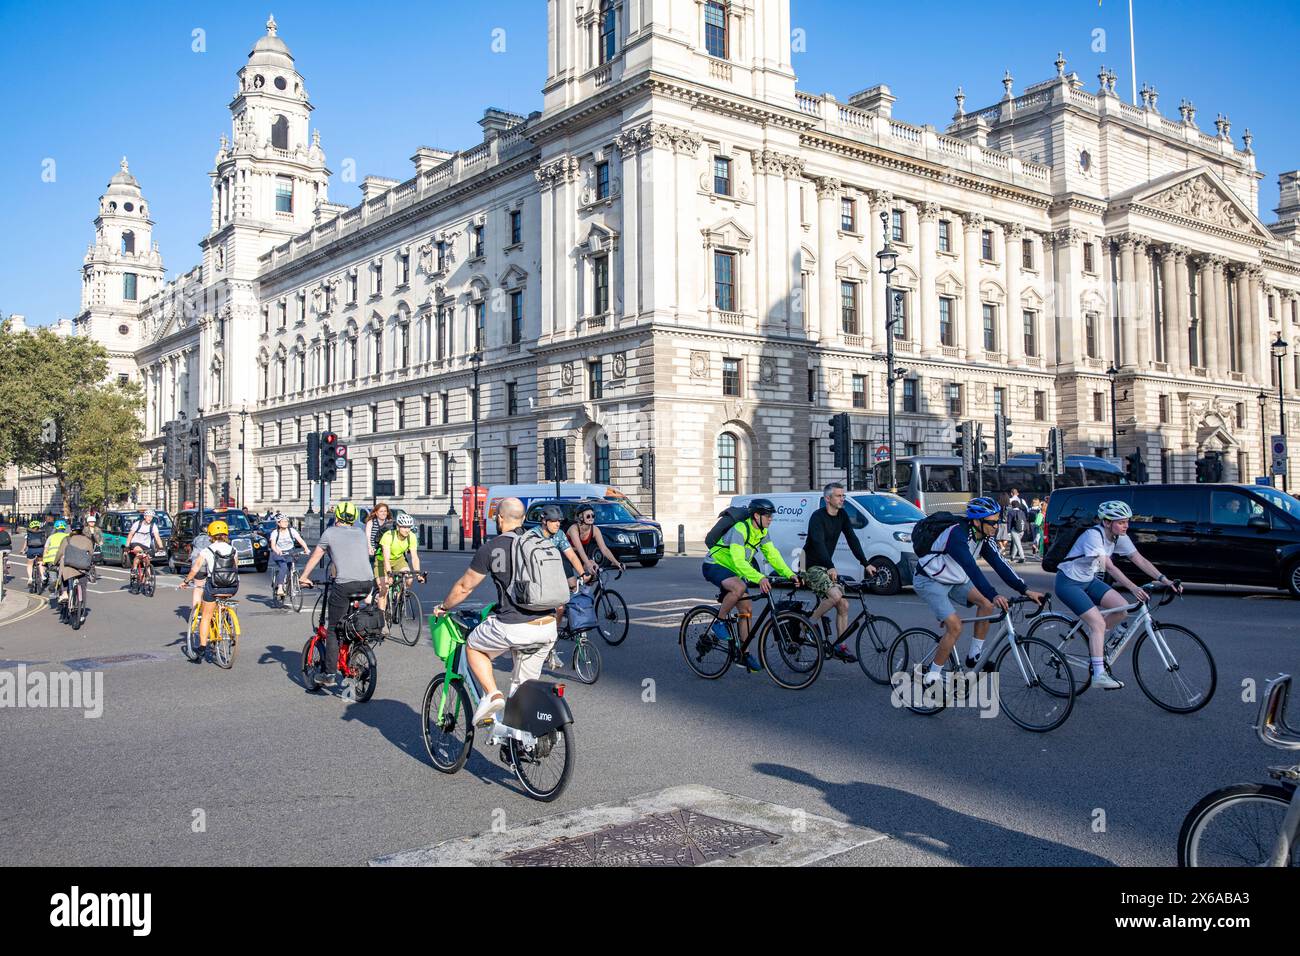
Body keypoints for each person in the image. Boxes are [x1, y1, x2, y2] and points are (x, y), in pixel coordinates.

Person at [432, 498, 560, 726]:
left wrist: (443, 607)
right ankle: (522, 740)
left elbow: (465, 587)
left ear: (500, 518)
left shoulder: (492, 548)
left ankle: (492, 694)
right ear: (522, 519)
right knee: (522, 688)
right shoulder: (540, 542)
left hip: (515, 626)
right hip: (548, 626)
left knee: (473, 645)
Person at [912, 497, 1045, 686]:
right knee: (955, 626)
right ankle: (932, 676)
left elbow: (1000, 564)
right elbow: (971, 568)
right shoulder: (957, 535)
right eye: (992, 522)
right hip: (930, 580)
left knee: (986, 605)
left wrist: (1025, 590)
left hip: (955, 578)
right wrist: (994, 593)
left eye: (998, 521)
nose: (997, 526)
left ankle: (974, 656)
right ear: (976, 521)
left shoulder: (985, 538)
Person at [1054, 500, 1181, 690]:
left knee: (1122, 609)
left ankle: (1096, 637)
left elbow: (1139, 560)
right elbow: (1110, 567)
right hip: (1068, 582)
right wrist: (1133, 588)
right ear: (1106, 522)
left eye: (1127, 521)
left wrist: (1165, 580)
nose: (1126, 526)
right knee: (1097, 623)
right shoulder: (1093, 536)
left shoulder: (1119, 537)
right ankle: (1098, 674)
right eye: (1121, 522)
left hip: (1088, 580)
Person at [702, 498, 799, 672]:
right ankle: (719, 621)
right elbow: (739, 561)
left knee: (746, 610)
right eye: (768, 515)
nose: (771, 519)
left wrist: (789, 573)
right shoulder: (740, 529)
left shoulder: (762, 532)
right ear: (756, 515)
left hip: (734, 571)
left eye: (771, 516)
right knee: (738, 588)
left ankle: (744, 654)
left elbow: (772, 555)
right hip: (715, 565)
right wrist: (760, 578)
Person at [801, 483, 878, 663]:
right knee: (835, 595)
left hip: (825, 564)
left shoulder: (842, 515)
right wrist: (830, 566)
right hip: (809, 564)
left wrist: (866, 563)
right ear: (828, 499)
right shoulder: (817, 517)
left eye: (843, 496)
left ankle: (839, 645)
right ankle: (809, 624)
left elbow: (852, 539)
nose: (842, 499)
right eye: (838, 496)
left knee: (843, 604)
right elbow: (818, 543)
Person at [298, 502, 373, 688]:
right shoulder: (360, 533)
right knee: (346, 621)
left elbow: (316, 556)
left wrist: (304, 577)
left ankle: (329, 673)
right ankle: (350, 650)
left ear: (337, 516)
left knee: (332, 629)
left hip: (345, 584)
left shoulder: (330, 532)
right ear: (354, 517)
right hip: (367, 583)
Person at [180, 520, 240, 651]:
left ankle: (202, 647)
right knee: (222, 601)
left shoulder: (207, 550)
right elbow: (235, 567)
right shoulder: (233, 550)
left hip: (214, 586)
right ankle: (226, 619)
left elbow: (195, 569)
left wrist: (186, 581)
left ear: (210, 535)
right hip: (232, 586)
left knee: (206, 615)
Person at [375, 511, 426, 623]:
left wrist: (418, 574)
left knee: (409, 579)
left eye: (408, 527)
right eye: (404, 527)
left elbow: (414, 557)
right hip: (382, 560)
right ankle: (381, 620)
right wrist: (389, 574)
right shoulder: (388, 536)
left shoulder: (411, 536)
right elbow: (386, 559)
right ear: (398, 527)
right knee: (384, 588)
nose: (407, 530)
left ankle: (398, 600)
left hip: (399, 560)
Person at [566, 503, 625, 575]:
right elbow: (580, 549)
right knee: (573, 581)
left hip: (581, 554)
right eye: (588, 516)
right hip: (567, 555)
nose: (591, 518)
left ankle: (587, 586)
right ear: (581, 517)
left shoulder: (595, 530)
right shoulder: (574, 529)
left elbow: (604, 549)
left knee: (594, 568)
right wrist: (588, 564)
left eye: (593, 515)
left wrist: (616, 563)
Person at [54, 524, 97, 611]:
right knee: (83, 586)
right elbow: (91, 554)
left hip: (69, 566)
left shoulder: (67, 539)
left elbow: (60, 552)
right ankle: (82, 607)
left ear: (71, 530)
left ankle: (65, 593)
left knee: (63, 573)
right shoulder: (88, 540)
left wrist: (54, 562)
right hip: (83, 567)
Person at [267, 513, 307, 602]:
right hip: (279, 553)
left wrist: (306, 548)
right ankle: (280, 587)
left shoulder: (291, 531)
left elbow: (300, 540)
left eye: (287, 521)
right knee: (283, 567)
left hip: (290, 551)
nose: (286, 523)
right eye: (283, 521)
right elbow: (273, 545)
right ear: (278, 523)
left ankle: (291, 582)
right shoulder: (275, 533)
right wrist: (277, 550)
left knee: (290, 568)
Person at [126, 510, 163, 580]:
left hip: (145, 544)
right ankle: (134, 569)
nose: (150, 518)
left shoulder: (153, 526)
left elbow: (157, 537)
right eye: (148, 516)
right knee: (140, 553)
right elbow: (130, 535)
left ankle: (147, 579)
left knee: (146, 559)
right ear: (144, 517)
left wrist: (161, 547)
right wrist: (127, 546)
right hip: (135, 542)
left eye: (151, 517)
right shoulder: (137, 524)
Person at [23, 519, 46, 587]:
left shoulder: (28, 533)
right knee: (41, 563)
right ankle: (42, 576)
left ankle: (30, 578)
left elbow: (26, 543)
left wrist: (23, 550)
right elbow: (45, 541)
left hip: (31, 550)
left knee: (30, 564)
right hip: (40, 549)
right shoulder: (42, 532)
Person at [1007, 497, 1028, 564]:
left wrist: (1008, 531)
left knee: (1018, 544)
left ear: (1012, 505)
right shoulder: (1022, 512)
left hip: (1014, 530)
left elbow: (1009, 522)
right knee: (1016, 544)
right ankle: (1012, 557)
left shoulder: (1011, 512)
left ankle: (1022, 557)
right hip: (1022, 530)